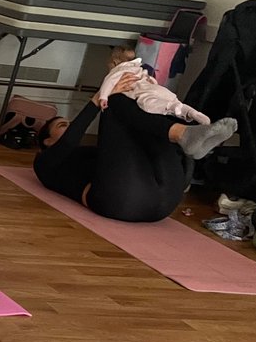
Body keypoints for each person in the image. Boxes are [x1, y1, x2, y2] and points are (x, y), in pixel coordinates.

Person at [34, 73, 238, 222]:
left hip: (166, 200)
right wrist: (100, 97)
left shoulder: (97, 154)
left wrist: (141, 88)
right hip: (121, 202)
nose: (70, 127)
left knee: (140, 108)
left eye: (68, 124)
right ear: (47, 141)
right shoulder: (43, 163)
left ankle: (186, 133)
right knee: (113, 100)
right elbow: (68, 142)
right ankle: (182, 132)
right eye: (62, 125)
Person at [98, 49, 210, 124]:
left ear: (114, 62)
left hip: (143, 91)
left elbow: (109, 81)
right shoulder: (138, 68)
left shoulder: (118, 70)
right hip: (157, 88)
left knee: (148, 104)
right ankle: (190, 111)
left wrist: (103, 96)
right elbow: (150, 79)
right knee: (175, 102)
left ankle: (176, 110)